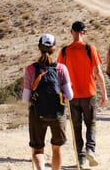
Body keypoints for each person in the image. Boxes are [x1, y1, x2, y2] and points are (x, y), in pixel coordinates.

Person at [58, 21, 108, 168]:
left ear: (71, 32)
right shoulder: (90, 49)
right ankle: (90, 149)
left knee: (76, 127)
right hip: (89, 93)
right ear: (84, 33)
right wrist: (104, 94)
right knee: (91, 123)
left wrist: (61, 93)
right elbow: (98, 73)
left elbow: (59, 73)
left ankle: (80, 160)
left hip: (71, 95)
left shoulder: (64, 51)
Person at [23, 34, 74, 170]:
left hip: (37, 114)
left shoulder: (31, 69)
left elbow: (25, 98)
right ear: (54, 49)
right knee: (56, 149)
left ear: (39, 48)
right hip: (58, 114)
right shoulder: (61, 69)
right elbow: (70, 95)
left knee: (38, 150)